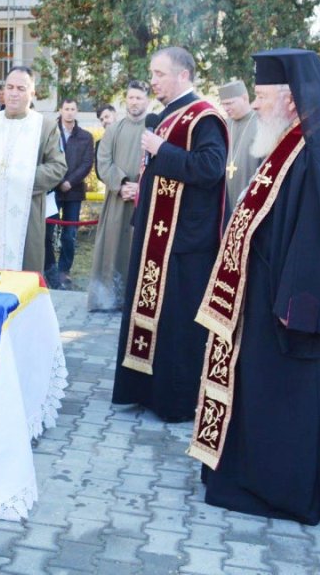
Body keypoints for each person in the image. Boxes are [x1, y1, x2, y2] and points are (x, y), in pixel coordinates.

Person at [188, 48, 320, 525]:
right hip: (265, 297)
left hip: (291, 313)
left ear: (292, 101)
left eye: (261, 95)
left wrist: (296, 307)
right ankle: (245, 471)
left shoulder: (316, 148)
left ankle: (280, 489)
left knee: (288, 401)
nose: (254, 105)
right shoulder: (294, 140)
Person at [113, 47, 228, 422]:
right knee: (153, 318)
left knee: (176, 323)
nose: (153, 81)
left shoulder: (204, 116)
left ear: (183, 75)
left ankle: (174, 400)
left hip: (183, 242)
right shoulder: (165, 116)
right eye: (152, 73)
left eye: (159, 74)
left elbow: (211, 169)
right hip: (156, 237)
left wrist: (163, 149)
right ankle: (145, 390)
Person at [0, 67, 66, 272]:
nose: (14, 93)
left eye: (21, 88)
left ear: (32, 92)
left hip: (27, 215)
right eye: (9, 87)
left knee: (24, 272)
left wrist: (20, 178)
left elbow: (58, 166)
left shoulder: (45, 127)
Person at [89, 80, 150, 312]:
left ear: (147, 100)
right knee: (113, 247)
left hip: (144, 199)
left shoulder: (157, 127)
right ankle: (108, 299)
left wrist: (141, 187)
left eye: (139, 98)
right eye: (131, 98)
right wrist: (122, 183)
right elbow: (103, 161)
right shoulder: (114, 129)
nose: (134, 102)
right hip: (117, 199)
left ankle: (137, 300)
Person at [44, 98, 94, 289]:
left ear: (77, 111)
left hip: (74, 191)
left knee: (69, 234)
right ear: (61, 110)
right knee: (48, 232)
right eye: (66, 109)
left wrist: (70, 182)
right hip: (52, 190)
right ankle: (49, 269)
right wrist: (57, 181)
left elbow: (87, 163)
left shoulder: (85, 137)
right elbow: (46, 158)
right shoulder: (50, 132)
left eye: (73, 109)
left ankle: (64, 270)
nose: (70, 112)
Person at [218, 79, 261, 204]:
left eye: (230, 103)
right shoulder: (222, 125)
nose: (226, 108)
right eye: (223, 104)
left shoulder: (262, 123)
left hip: (252, 198)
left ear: (244, 98)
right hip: (224, 201)